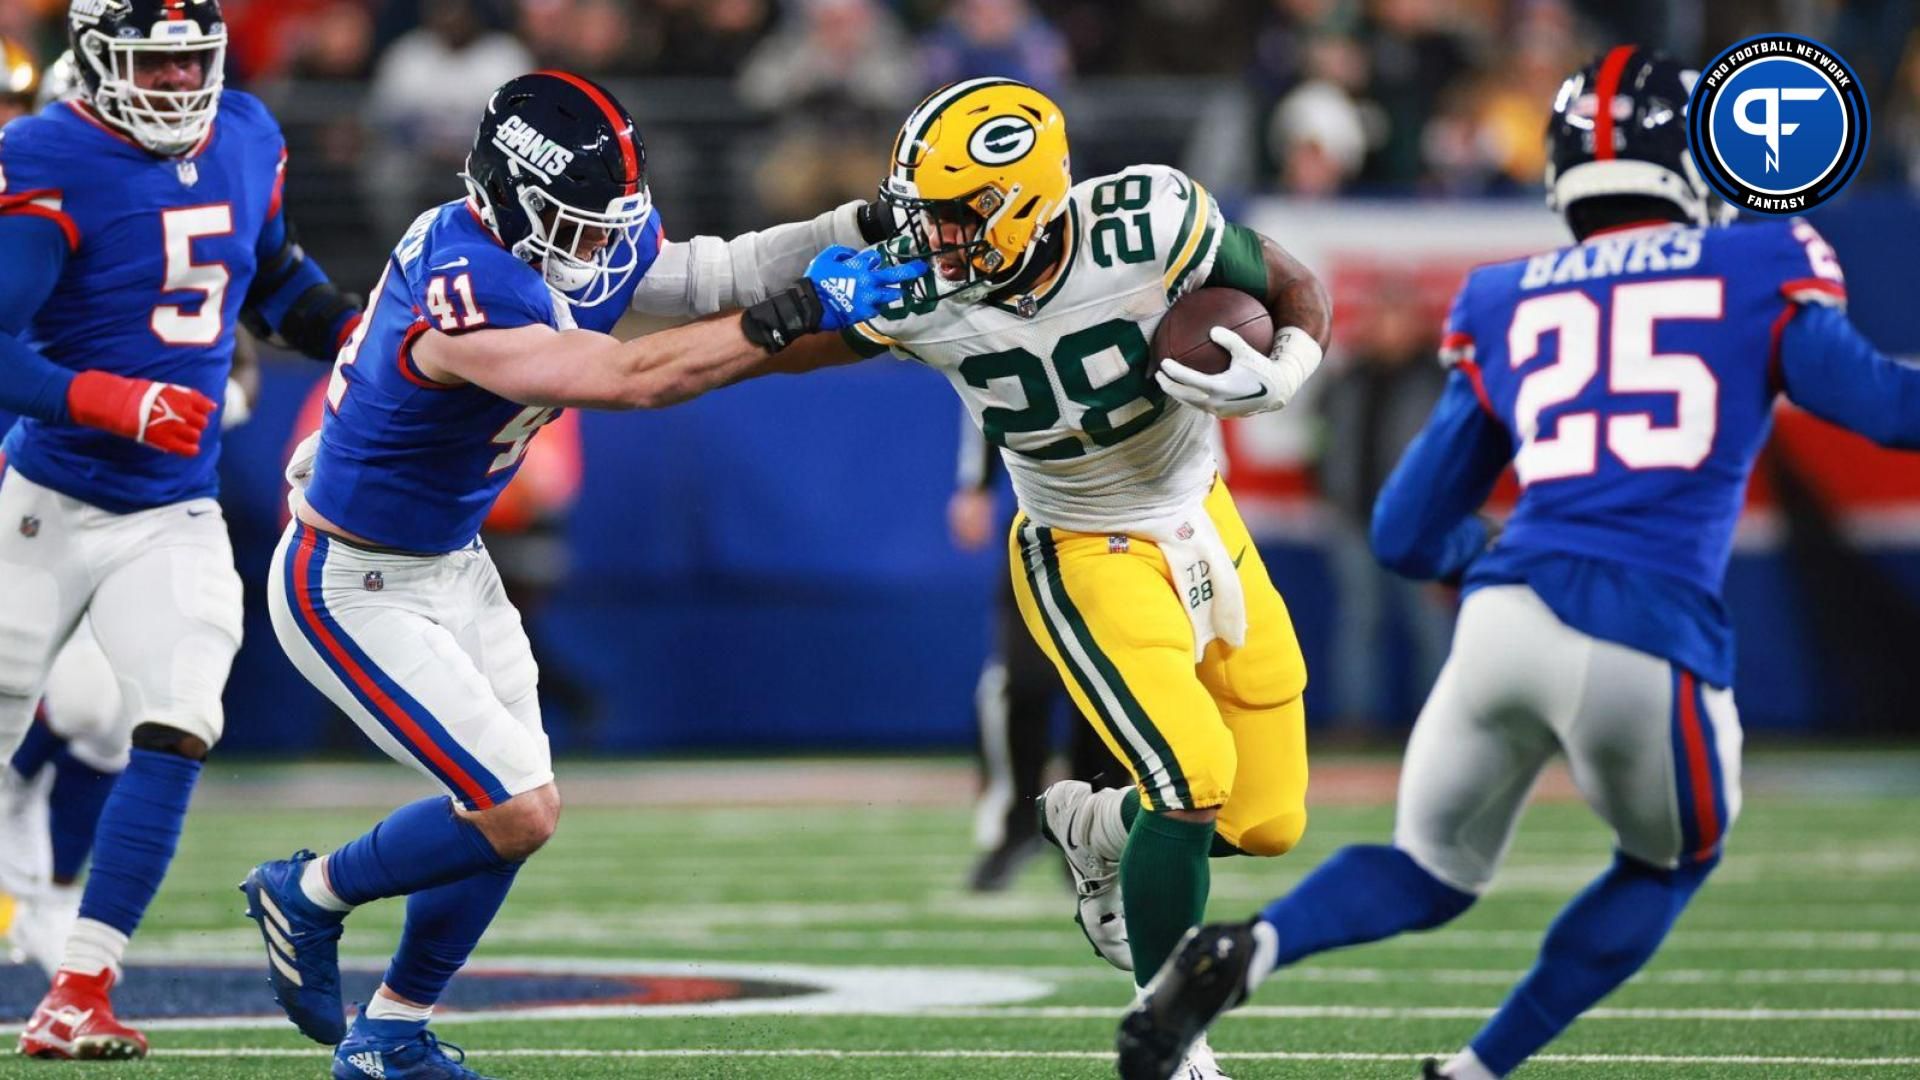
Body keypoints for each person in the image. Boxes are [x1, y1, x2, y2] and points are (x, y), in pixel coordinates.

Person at [1117, 47, 1920, 1080]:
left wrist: (1489, 553)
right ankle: (1476, 1069)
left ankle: (1249, 946)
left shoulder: (1510, 297)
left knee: (1425, 871)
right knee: (1670, 861)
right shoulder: (1762, 260)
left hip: (1505, 621)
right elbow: (1888, 412)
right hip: (1646, 626)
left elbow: (1407, 528)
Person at [238, 70, 920, 1080]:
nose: (603, 247)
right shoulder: (466, 279)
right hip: (348, 577)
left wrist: (858, 226)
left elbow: (715, 272)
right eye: (578, 223)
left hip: (449, 560)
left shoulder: (567, 234)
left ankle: (390, 1034)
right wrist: (796, 314)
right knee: (513, 806)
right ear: (508, 198)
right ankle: (310, 893)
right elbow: (625, 379)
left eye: (613, 224)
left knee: (512, 816)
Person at [761, 77, 1334, 1077]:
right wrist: (776, 311)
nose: (932, 237)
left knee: (1269, 821)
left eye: (953, 213)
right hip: (1079, 543)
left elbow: (1296, 286)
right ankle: (1175, 1039)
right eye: (923, 216)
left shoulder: (1148, 219)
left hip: (1204, 519)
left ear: (1023, 195)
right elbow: (791, 329)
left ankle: (1088, 823)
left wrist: (1286, 368)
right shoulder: (916, 281)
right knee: (1191, 780)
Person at [1, 0, 361, 1059]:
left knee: (179, 714)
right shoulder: (43, 152)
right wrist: (112, 401)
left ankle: (80, 986)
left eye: (190, 61)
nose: (175, 85)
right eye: (152, 67)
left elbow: (274, 274)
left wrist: (353, 337)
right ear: (101, 62)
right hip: (45, 501)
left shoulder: (248, 131)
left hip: (174, 506)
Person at [949, 417, 1121, 893]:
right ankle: (1015, 823)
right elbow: (981, 372)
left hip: (1130, 521)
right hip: (1040, 515)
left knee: (1112, 685)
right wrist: (975, 483)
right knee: (1018, 677)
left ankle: (1092, 833)